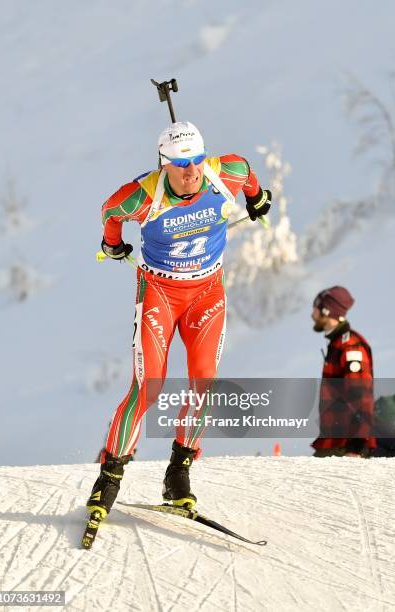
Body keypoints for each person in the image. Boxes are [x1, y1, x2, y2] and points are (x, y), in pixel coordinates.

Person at [86, 121, 272, 519]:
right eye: (182, 164)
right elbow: (110, 211)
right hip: (160, 293)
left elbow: (249, 175)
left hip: (207, 293)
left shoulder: (225, 174)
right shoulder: (143, 195)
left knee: (203, 384)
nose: (192, 172)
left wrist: (257, 200)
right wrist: (112, 242)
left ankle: (178, 472)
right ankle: (109, 477)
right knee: (147, 388)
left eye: (197, 161)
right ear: (164, 164)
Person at [310, 286, 376, 458]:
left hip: (345, 447)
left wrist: (356, 446)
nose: (312, 313)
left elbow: (362, 397)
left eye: (316, 307)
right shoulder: (337, 344)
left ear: (327, 311)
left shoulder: (350, 346)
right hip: (334, 443)